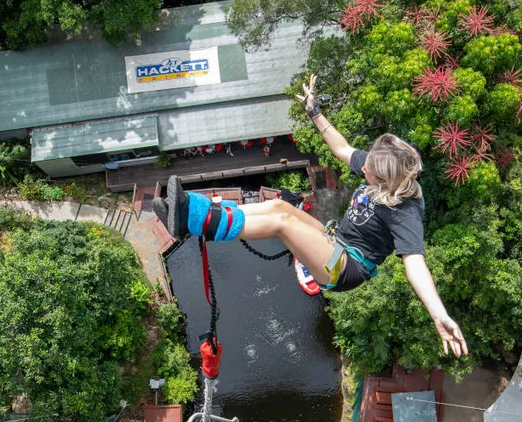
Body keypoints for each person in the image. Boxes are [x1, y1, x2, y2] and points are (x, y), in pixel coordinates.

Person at [153, 75, 467, 358]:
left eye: (368, 169)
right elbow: (342, 149)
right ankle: (192, 212)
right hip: (336, 241)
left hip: (347, 267)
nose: (363, 167)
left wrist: (438, 314)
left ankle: (195, 221)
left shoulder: (406, 210)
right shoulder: (384, 169)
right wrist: (314, 111)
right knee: (281, 208)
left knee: (281, 224)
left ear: (384, 180)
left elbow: (415, 264)